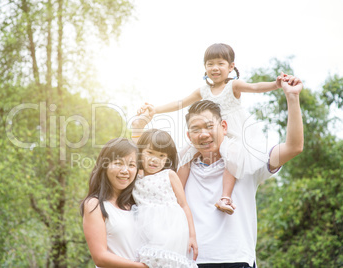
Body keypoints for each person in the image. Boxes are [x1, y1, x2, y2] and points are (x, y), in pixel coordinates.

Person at [136, 75, 304, 267]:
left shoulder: (246, 162)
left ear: (224, 127)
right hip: (188, 261)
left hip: (236, 260)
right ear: (189, 136)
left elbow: (293, 147)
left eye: (209, 126)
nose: (204, 134)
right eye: (196, 129)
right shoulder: (178, 169)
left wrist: (292, 97)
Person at [138, 43, 288, 215]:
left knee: (231, 157)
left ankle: (225, 197)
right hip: (208, 135)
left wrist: (276, 84)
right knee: (185, 157)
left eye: (220, 63)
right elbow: (180, 103)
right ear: (205, 67)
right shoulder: (203, 90)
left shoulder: (234, 86)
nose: (215, 68)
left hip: (232, 134)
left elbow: (255, 87)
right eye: (210, 64)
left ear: (231, 67)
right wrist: (155, 110)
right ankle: (176, 197)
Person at [130, 125, 199, 267]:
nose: (155, 160)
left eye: (161, 156)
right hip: (144, 228)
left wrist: (192, 235)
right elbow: (132, 143)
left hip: (171, 229)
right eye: (150, 152)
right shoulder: (135, 175)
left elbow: (184, 205)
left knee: (166, 262)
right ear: (140, 151)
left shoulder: (169, 175)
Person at [81, 138, 148, 268]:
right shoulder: (95, 205)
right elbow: (100, 257)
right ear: (104, 166)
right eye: (118, 163)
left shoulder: (139, 202)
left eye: (131, 165)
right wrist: (142, 267)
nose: (125, 170)